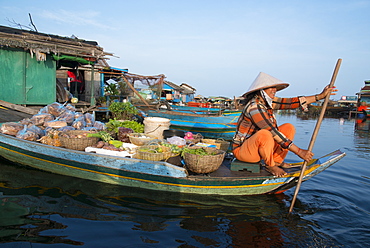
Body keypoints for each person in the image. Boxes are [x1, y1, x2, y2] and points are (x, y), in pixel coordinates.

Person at [232, 72, 337, 177]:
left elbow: (291, 102)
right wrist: (299, 151)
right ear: (261, 91)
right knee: (265, 134)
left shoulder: (268, 102)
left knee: (288, 127)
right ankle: (270, 165)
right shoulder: (254, 107)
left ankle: (277, 161)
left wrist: (320, 96)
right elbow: (272, 131)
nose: (275, 90)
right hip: (243, 151)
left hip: (259, 148)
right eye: (271, 88)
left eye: (275, 88)